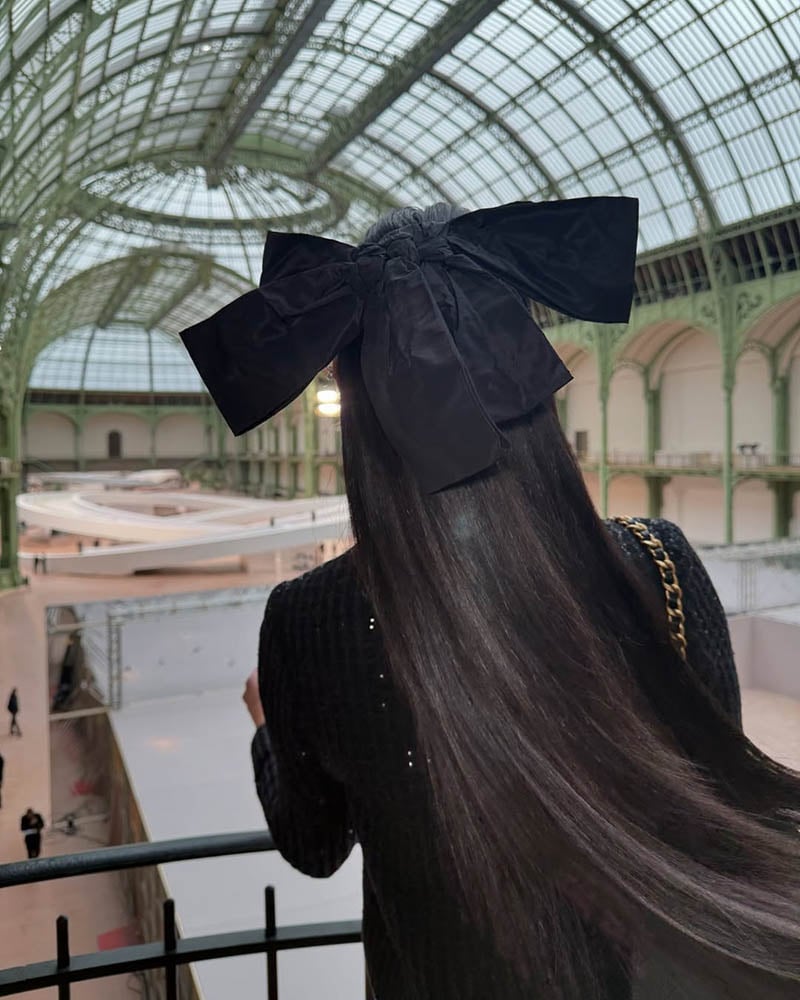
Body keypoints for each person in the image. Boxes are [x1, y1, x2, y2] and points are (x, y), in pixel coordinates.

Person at [182, 200, 800, 1000]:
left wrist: (270, 731)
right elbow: (715, 793)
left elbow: (315, 844)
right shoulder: (662, 562)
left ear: (352, 406)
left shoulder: (305, 623)